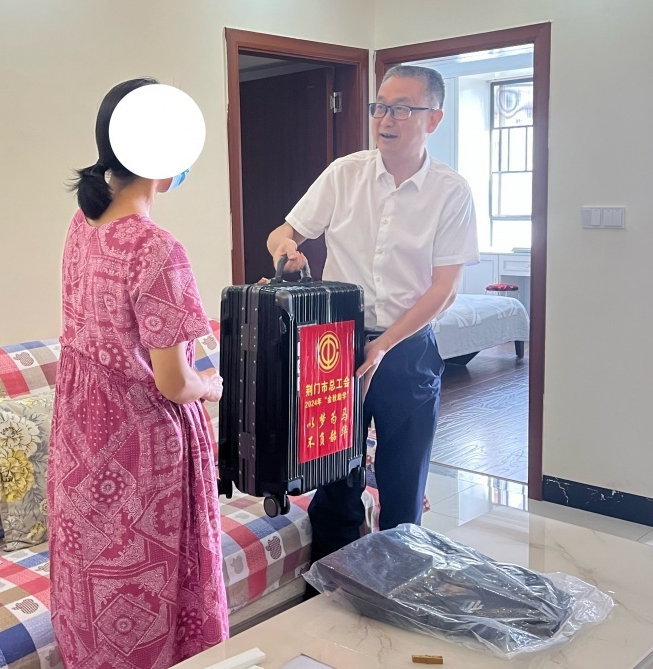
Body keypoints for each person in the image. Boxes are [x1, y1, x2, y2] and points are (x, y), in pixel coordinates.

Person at [266, 65, 479, 566]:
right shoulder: (345, 173)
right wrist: (284, 252)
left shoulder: (451, 191)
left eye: (402, 108)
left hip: (407, 347)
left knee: (404, 476)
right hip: (335, 344)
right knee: (335, 474)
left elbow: (444, 289)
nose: (386, 119)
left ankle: (397, 580)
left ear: (433, 118)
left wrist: (383, 345)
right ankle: (333, 582)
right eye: (380, 106)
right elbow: (284, 232)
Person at [48, 78, 228, 668]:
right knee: (154, 584)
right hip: (141, 448)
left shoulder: (83, 225)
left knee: (95, 581)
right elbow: (173, 381)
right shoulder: (155, 247)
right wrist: (211, 386)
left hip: (82, 442)